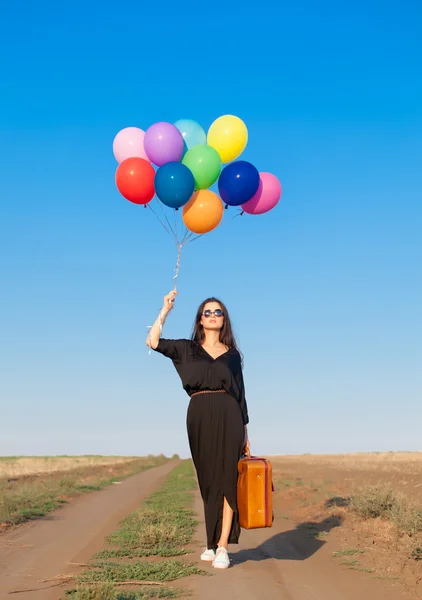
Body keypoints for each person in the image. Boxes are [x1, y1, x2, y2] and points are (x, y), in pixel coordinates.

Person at [146, 289, 250, 570]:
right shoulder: (186, 348)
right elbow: (152, 341)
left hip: (230, 415)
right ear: (200, 320)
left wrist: (246, 432)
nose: (214, 315)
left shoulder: (233, 355)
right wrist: (165, 310)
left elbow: (241, 395)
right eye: (208, 312)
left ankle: (223, 547)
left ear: (224, 319)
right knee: (208, 480)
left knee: (229, 477)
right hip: (199, 413)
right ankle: (210, 542)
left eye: (219, 312)